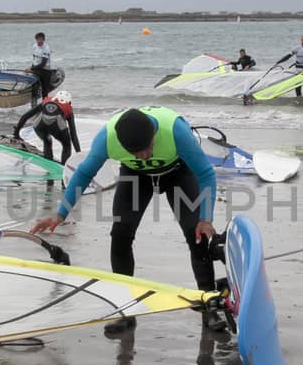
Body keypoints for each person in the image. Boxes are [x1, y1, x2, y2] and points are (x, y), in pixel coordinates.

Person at [31, 106, 223, 335]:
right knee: (120, 235)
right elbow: (83, 173)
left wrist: (206, 218)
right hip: (136, 176)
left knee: (197, 234)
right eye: (136, 152)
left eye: (147, 148)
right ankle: (125, 310)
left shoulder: (175, 131)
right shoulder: (107, 138)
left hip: (177, 172)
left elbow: (205, 173)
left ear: (154, 134)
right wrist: (61, 213)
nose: (144, 155)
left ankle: (209, 305)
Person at [15, 89, 81, 165]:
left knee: (47, 141)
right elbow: (73, 135)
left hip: (39, 126)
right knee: (66, 145)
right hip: (57, 127)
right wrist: (79, 154)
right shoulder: (68, 107)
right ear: (69, 102)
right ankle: (63, 167)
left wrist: (16, 134)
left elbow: (25, 116)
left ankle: (48, 164)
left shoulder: (45, 101)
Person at [29, 32, 54, 99]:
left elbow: (43, 64)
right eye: (38, 40)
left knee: (44, 90)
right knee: (34, 87)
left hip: (45, 70)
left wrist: (31, 69)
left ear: (44, 40)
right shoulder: (34, 46)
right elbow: (34, 59)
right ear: (36, 39)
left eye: (41, 40)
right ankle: (34, 105)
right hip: (37, 69)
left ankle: (44, 104)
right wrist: (32, 68)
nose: (39, 41)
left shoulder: (46, 48)